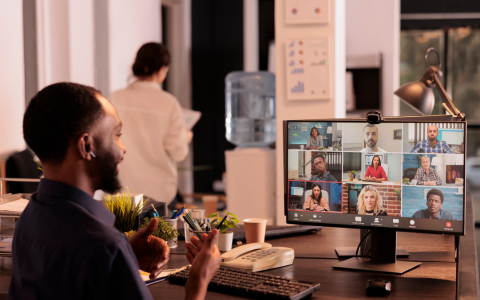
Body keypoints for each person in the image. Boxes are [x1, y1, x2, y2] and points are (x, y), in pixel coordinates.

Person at [9, 82, 220, 300]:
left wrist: (124, 259)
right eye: (116, 134)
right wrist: (198, 280)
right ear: (86, 145)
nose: (123, 147)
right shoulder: (105, 245)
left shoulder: (28, 219)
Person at [110, 42, 192, 207]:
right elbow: (177, 152)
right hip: (160, 194)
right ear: (162, 70)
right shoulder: (169, 103)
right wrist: (186, 137)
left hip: (123, 192)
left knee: (124, 233)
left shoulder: (115, 98)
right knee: (158, 232)